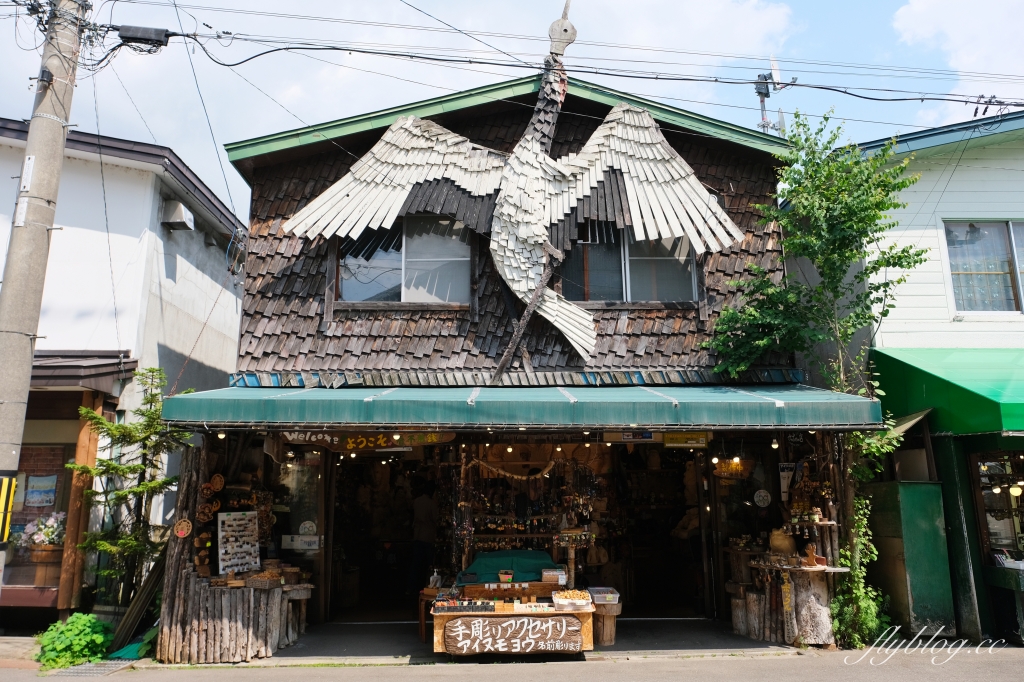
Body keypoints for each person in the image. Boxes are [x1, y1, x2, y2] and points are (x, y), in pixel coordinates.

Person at [406, 479, 438, 595]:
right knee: (428, 565)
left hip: (417, 535)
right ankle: (428, 588)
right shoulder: (431, 504)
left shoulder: (417, 501)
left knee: (415, 564)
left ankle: (411, 588)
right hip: (428, 537)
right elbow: (435, 519)